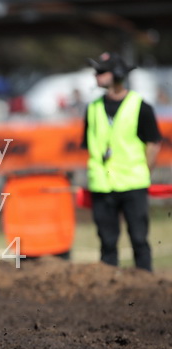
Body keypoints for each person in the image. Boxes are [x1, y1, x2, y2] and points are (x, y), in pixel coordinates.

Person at [82, 52, 162, 271]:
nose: (96, 76)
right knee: (107, 243)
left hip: (132, 184)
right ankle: (109, 286)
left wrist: (143, 171)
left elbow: (153, 144)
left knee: (139, 239)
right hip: (102, 185)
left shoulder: (140, 107)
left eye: (101, 72)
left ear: (117, 74)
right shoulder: (93, 108)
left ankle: (145, 283)